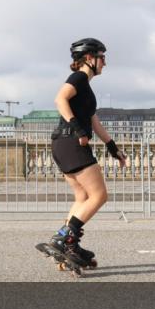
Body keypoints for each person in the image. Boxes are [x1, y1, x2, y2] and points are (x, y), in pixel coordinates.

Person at [44, 38, 127, 268]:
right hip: (71, 142)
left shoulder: (86, 87)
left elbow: (94, 121)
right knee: (99, 196)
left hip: (63, 143)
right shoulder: (79, 77)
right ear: (89, 58)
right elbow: (60, 99)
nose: (105, 63)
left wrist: (113, 147)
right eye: (102, 57)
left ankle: (69, 247)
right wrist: (77, 128)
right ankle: (63, 239)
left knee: (82, 198)